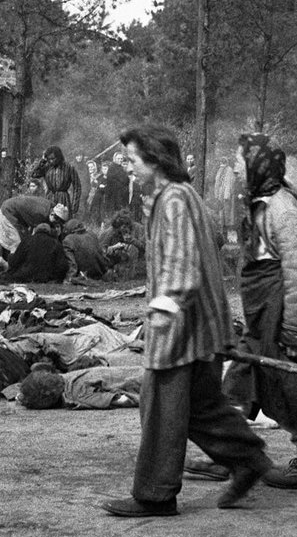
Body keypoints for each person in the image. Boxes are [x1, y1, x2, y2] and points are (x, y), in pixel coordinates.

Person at [101, 123, 271, 517]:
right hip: (202, 326)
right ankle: (248, 460)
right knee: (202, 407)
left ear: (155, 160)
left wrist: (161, 315)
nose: (126, 166)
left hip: (181, 328)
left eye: (131, 159)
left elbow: (181, 267)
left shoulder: (175, 200)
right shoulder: (179, 195)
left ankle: (155, 494)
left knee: (159, 407)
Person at [225, 133, 297, 490]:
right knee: (240, 381)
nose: (234, 168)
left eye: (239, 160)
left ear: (256, 165)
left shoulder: (282, 210)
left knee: (287, 385)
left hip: (281, 315)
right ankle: (233, 457)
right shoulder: (262, 201)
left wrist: (294, 330)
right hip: (262, 316)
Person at [3, 215, 71, 283]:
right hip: (48, 277)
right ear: (49, 231)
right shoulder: (56, 243)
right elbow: (62, 266)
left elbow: (15, 261)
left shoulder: (27, 241)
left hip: (25, 275)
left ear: (36, 230)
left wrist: (10, 256)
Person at [59, 212, 114, 280]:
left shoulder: (68, 240)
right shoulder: (92, 235)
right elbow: (100, 255)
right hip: (99, 273)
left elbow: (72, 265)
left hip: (83, 275)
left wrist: (69, 279)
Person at [33, 145, 82, 215]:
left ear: (58, 157)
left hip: (63, 199)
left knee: (62, 221)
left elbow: (77, 187)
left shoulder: (69, 167)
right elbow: (34, 174)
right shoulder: (47, 167)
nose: (51, 161)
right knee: (49, 220)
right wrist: (42, 161)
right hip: (49, 198)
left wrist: (74, 207)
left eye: (53, 158)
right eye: (49, 159)